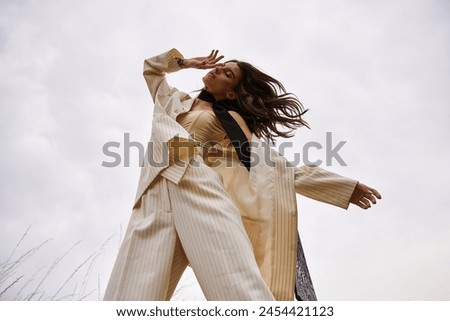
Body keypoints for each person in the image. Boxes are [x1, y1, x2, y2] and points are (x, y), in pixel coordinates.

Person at [103, 49, 381, 301]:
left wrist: (343, 188)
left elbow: (272, 167)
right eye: (220, 67)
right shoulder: (172, 100)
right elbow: (152, 68)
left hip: (200, 191)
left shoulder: (231, 121)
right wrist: (187, 63)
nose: (217, 70)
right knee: (131, 294)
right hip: (154, 197)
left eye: (227, 73)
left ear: (233, 93)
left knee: (237, 285)